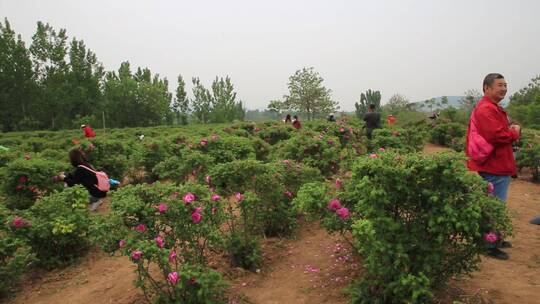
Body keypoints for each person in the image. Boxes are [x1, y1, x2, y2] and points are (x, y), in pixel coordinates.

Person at [466, 73, 520, 260]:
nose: (504, 88)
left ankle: (494, 238)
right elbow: (497, 136)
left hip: (497, 164)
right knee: (494, 206)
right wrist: (514, 132)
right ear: (486, 88)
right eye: (499, 85)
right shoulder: (486, 109)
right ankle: (489, 244)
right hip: (494, 165)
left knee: (494, 205)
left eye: (505, 85)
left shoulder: (492, 108)